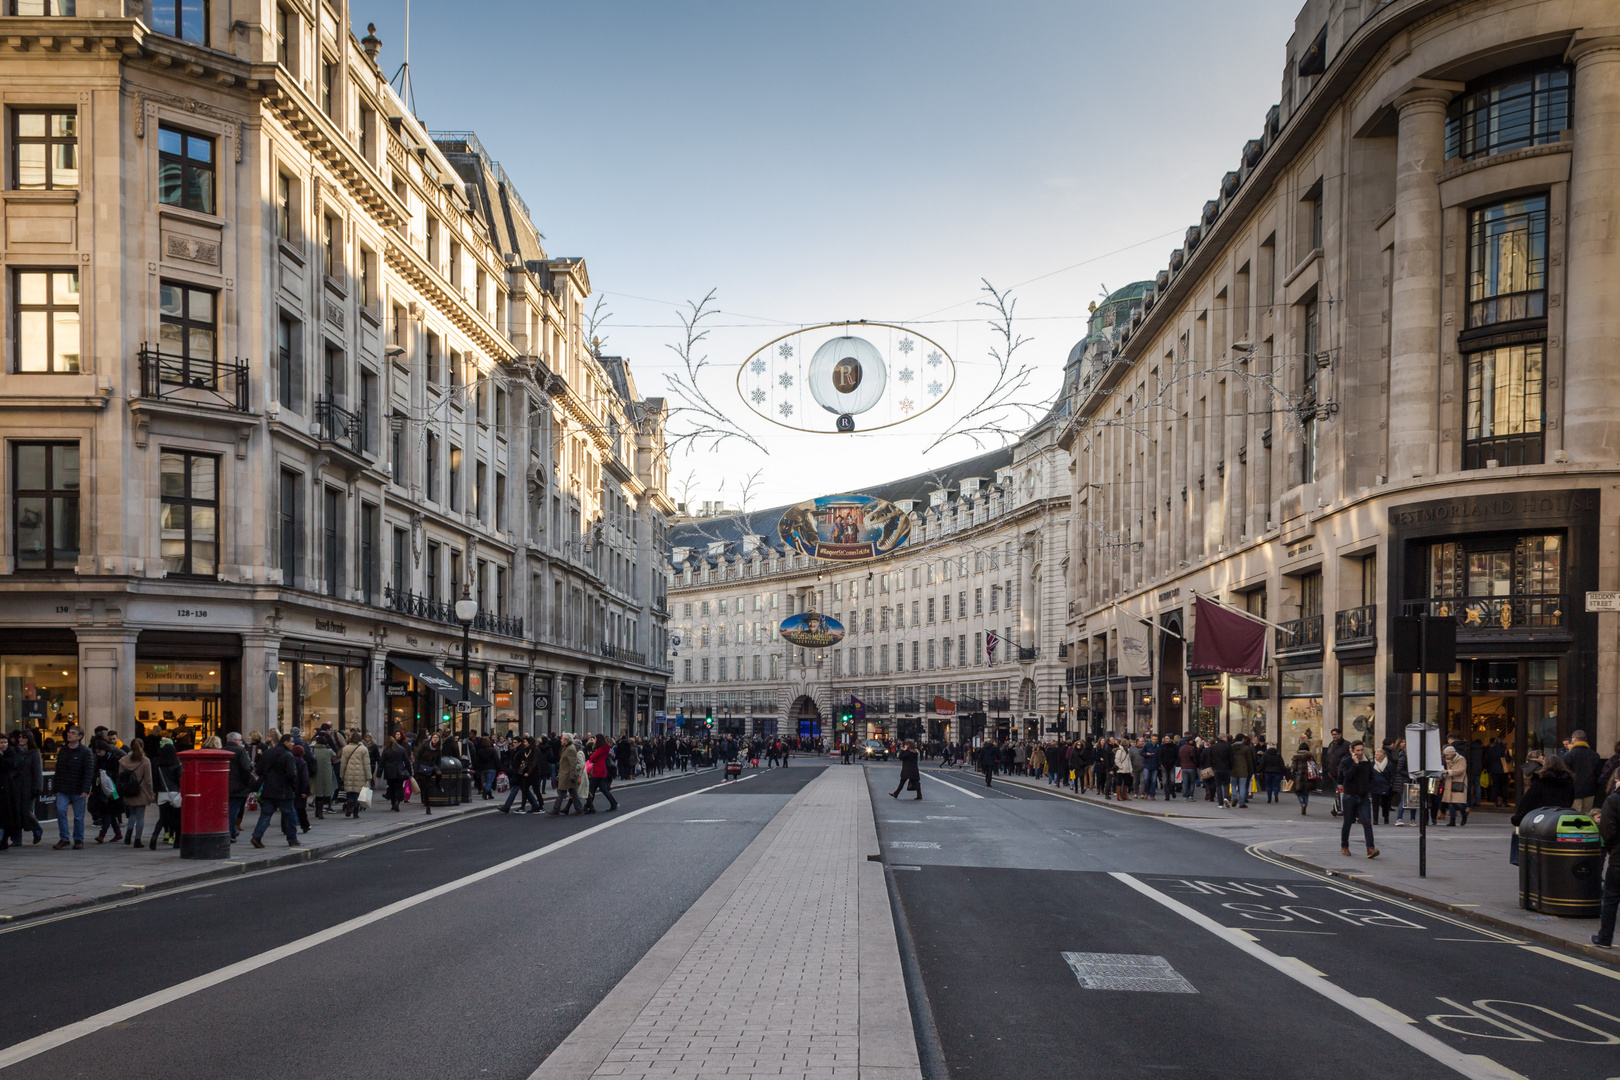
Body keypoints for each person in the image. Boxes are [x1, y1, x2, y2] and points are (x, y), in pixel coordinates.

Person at [250, 733, 301, 848]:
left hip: (268, 789)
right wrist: (293, 787)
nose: (293, 744)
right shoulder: (288, 756)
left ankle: (256, 836)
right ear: (285, 742)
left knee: (266, 815)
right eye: (291, 741)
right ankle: (292, 839)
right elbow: (291, 774)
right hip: (284, 790)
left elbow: (259, 770)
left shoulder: (268, 752)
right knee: (290, 815)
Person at [51, 725, 95, 850]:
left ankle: (78, 839)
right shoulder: (63, 750)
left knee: (78, 816)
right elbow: (58, 769)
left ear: (80, 737)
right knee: (60, 811)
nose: (70, 735)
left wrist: (85, 789)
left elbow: (89, 772)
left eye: (73, 733)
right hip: (63, 788)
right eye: (69, 732)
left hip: (78, 788)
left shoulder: (85, 752)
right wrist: (56, 787)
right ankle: (64, 838)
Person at [1592, 772, 1620, 949]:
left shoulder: (1613, 800)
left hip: (1618, 858)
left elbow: (1607, 830)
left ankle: (1605, 939)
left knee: (1611, 899)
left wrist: (1612, 849)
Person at [1339, 741, 1379, 859]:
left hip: (1363, 797)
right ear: (1352, 750)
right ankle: (1344, 846)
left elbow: (1372, 777)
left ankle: (1370, 848)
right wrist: (1355, 764)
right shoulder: (1346, 762)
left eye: (1362, 750)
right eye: (1358, 750)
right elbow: (1347, 776)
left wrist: (1368, 788)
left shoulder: (1367, 762)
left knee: (1367, 822)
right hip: (1349, 797)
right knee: (1347, 822)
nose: (1360, 752)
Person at [1511, 753, 1575, 825]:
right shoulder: (1568, 780)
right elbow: (1571, 799)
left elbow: (1528, 801)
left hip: (1542, 818)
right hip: (1561, 818)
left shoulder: (1540, 780)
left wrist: (1518, 818)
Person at [117, 738, 154, 847]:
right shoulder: (145, 761)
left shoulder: (123, 760)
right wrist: (151, 793)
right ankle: (137, 839)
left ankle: (128, 836)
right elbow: (148, 780)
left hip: (128, 790)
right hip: (141, 790)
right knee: (140, 816)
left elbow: (120, 776)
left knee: (132, 814)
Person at [149, 738, 183, 849]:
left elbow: (154, 778)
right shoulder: (177, 762)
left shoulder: (156, 762)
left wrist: (155, 791)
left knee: (163, 818)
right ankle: (177, 841)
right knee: (177, 818)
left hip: (162, 793)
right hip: (174, 792)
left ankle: (154, 837)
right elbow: (180, 779)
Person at [225, 732, 256, 841]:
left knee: (226, 810)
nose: (241, 742)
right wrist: (247, 781)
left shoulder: (222, 750)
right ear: (235, 741)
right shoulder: (240, 751)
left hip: (224, 786)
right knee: (233, 810)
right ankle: (229, 833)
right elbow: (246, 768)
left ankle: (232, 831)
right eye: (240, 740)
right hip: (238, 786)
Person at [1565, 730, 1603, 813]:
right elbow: (1598, 773)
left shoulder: (1569, 755)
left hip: (1574, 790)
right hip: (1590, 790)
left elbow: (1566, 773)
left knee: (1575, 814)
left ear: (1574, 739)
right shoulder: (1594, 755)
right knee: (1587, 815)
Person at [339, 732, 371, 817]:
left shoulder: (346, 748)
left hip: (348, 773)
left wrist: (341, 775)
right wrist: (369, 777)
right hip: (361, 774)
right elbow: (366, 764)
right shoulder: (363, 749)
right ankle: (356, 812)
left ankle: (349, 806)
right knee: (357, 793)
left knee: (349, 792)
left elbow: (343, 763)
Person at [584, 734, 619, 813]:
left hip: (598, 770)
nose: (594, 740)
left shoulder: (601, 748)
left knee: (592, 789)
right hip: (602, 770)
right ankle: (613, 803)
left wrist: (591, 756)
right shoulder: (604, 748)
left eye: (595, 738)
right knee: (602, 788)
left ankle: (589, 806)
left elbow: (593, 757)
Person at [552, 734, 585, 815]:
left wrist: (572, 776)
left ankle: (556, 809)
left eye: (562, 739)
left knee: (561, 793)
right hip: (565, 774)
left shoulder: (570, 749)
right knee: (573, 793)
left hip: (567, 775)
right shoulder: (565, 748)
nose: (561, 740)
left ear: (566, 741)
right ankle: (579, 810)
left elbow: (572, 764)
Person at [1323, 728, 1350, 817]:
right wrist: (1328, 769)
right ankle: (1337, 807)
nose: (1334, 736)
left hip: (1342, 772)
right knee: (1338, 791)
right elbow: (1329, 757)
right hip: (1334, 772)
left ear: (1340, 734)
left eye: (1336, 734)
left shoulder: (1346, 745)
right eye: (1333, 735)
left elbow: (1347, 758)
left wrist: (1342, 769)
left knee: (1341, 790)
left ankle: (1339, 808)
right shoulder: (1332, 744)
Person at [1441, 745, 1470, 826]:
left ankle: (1464, 815)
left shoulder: (1461, 759)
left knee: (1459, 803)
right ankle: (1452, 821)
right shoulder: (1447, 761)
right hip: (1450, 782)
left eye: (1448, 755)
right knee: (1451, 803)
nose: (1446, 756)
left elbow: (1461, 770)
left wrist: (1448, 771)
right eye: (1445, 755)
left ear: (1452, 754)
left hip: (1459, 782)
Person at [1291, 741, 1317, 815]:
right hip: (1308, 777)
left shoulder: (1296, 757)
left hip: (1299, 777)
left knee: (1298, 792)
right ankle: (1305, 803)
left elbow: (1294, 768)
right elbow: (1314, 765)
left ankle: (1302, 803)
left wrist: (1294, 774)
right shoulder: (1310, 756)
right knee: (1306, 792)